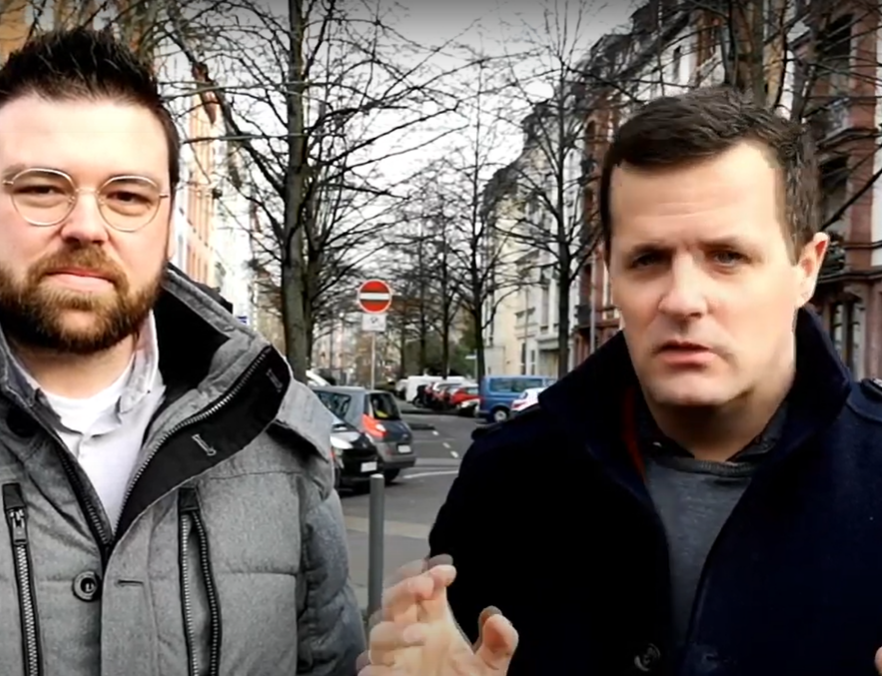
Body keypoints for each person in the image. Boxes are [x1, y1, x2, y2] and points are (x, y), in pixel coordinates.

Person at [362, 86, 882, 676]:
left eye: (728, 257)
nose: (683, 299)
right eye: (648, 259)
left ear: (805, 268)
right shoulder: (507, 478)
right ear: (611, 271)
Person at [0, 27, 363, 676]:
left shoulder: (277, 433)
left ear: (167, 219)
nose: (87, 227)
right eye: (42, 188)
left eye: (127, 196)